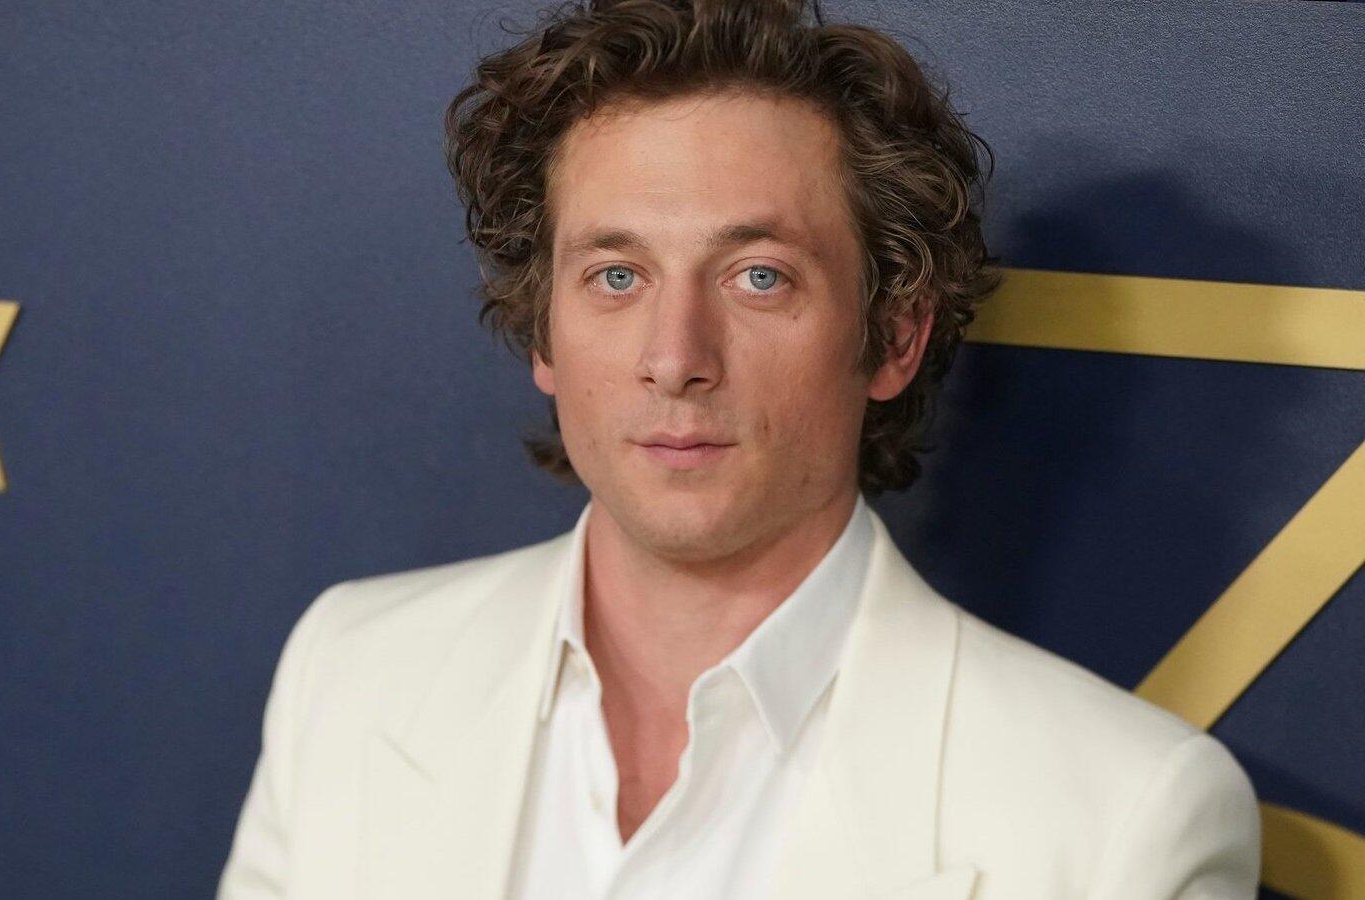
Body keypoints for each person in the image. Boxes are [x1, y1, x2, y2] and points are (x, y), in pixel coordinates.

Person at [217, 0, 1261, 897]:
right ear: (543, 333)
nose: (675, 359)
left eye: (758, 276)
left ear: (893, 337)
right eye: (616, 276)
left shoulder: (1125, 822)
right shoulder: (350, 671)